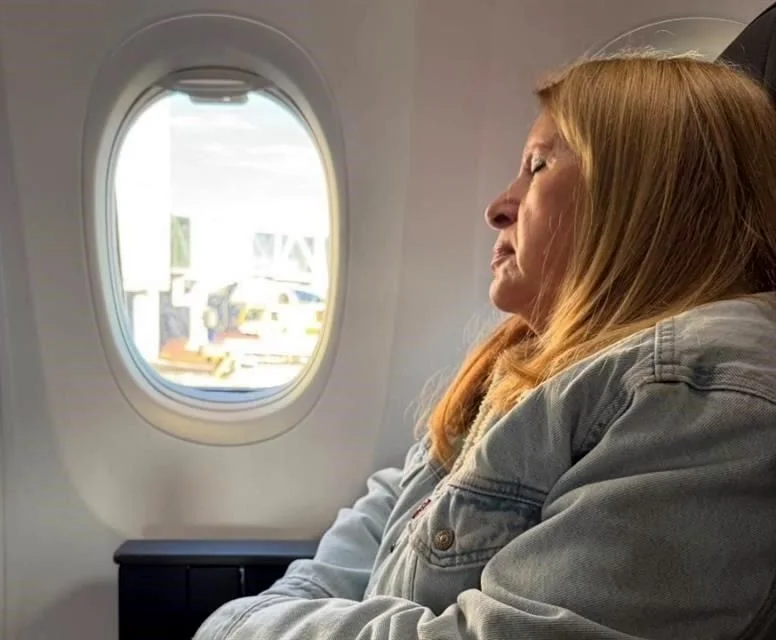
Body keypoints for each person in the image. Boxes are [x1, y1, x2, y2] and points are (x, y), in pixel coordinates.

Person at [194, 52, 776, 639]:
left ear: (649, 197)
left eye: (537, 166)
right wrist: (261, 618)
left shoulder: (696, 393)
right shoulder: (530, 364)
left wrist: (239, 625)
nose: (497, 208)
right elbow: (389, 514)